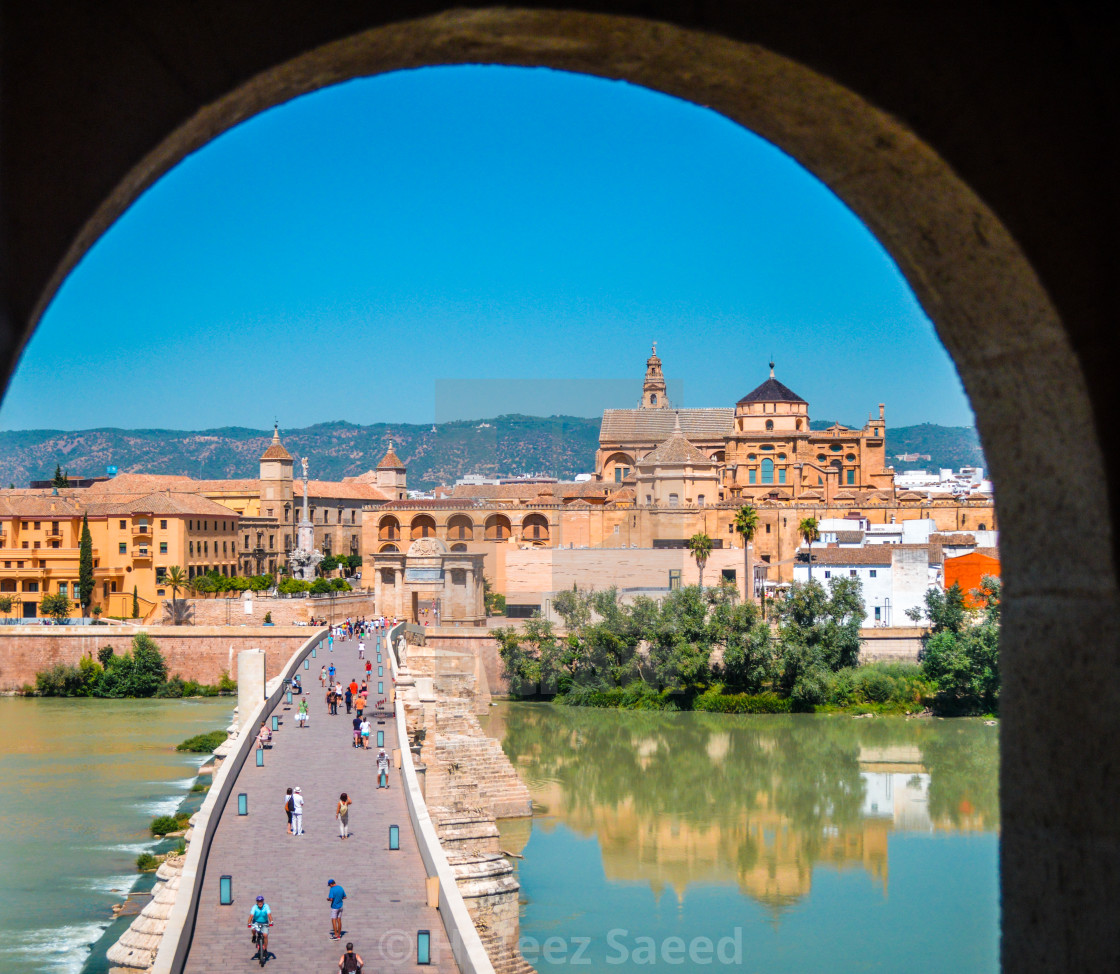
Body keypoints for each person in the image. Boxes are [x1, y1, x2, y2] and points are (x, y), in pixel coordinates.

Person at [248, 894, 273, 964]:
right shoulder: (254, 907)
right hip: (256, 922)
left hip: (264, 922)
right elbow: (251, 916)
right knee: (253, 929)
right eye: (258, 901)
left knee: (265, 935)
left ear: (263, 901)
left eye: (261, 901)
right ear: (257, 902)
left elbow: (269, 915)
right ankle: (254, 936)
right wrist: (249, 923)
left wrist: (271, 921)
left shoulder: (266, 906)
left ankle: (265, 949)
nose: (260, 902)